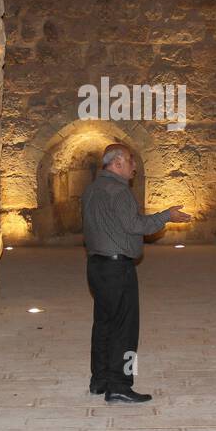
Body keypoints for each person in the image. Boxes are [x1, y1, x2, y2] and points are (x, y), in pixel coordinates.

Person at [80, 143, 191, 403]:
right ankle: (120, 384)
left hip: (96, 265)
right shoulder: (119, 191)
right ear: (117, 162)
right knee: (125, 329)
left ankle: (100, 379)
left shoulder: (92, 189)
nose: (134, 167)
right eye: (130, 161)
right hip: (117, 268)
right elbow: (135, 226)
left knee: (104, 323)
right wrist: (167, 215)